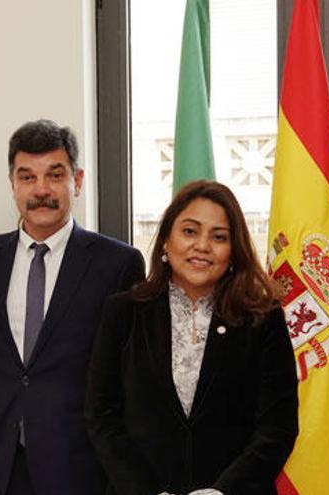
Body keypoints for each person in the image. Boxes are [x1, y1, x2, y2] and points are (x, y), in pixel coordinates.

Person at [0, 119, 145, 495]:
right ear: (12, 184)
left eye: (54, 175)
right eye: (26, 177)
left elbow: (125, 370)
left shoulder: (118, 263)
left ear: (76, 181)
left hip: (79, 460)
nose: (40, 189)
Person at [85, 180, 298, 495]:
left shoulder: (262, 319)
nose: (202, 245)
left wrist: (222, 491)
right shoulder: (124, 312)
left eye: (219, 237)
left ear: (233, 251)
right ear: (166, 243)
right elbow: (102, 417)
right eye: (189, 231)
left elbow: (277, 428)